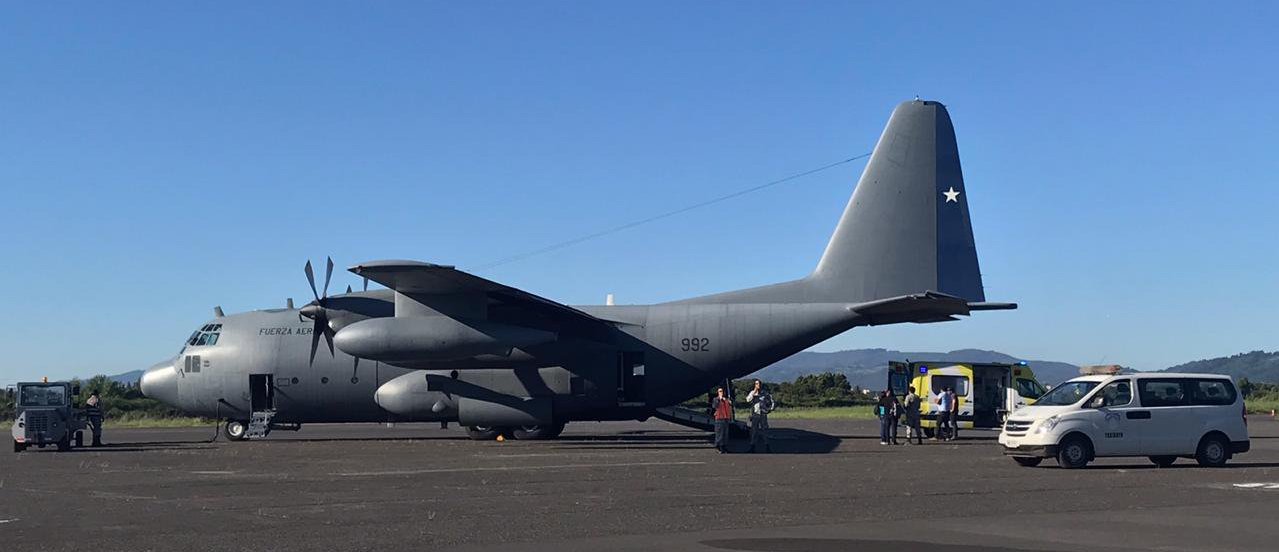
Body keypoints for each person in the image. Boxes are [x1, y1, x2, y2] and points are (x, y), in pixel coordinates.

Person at [745, 379, 773, 453]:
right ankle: (752, 446)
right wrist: (754, 392)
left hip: (763, 414)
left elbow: (771, 401)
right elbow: (748, 400)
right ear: (755, 385)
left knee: (765, 430)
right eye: (756, 384)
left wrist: (769, 410)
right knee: (754, 431)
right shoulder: (752, 392)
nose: (758, 385)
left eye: (759, 384)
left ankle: (767, 446)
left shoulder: (765, 393)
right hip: (755, 414)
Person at [711, 386, 733, 453]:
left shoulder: (726, 400)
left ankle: (724, 446)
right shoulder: (716, 399)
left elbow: (730, 407)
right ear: (718, 392)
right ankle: (718, 446)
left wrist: (730, 402)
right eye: (720, 391)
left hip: (726, 418)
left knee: (725, 434)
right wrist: (719, 399)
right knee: (719, 433)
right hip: (719, 418)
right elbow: (714, 406)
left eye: (722, 391)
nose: (721, 393)